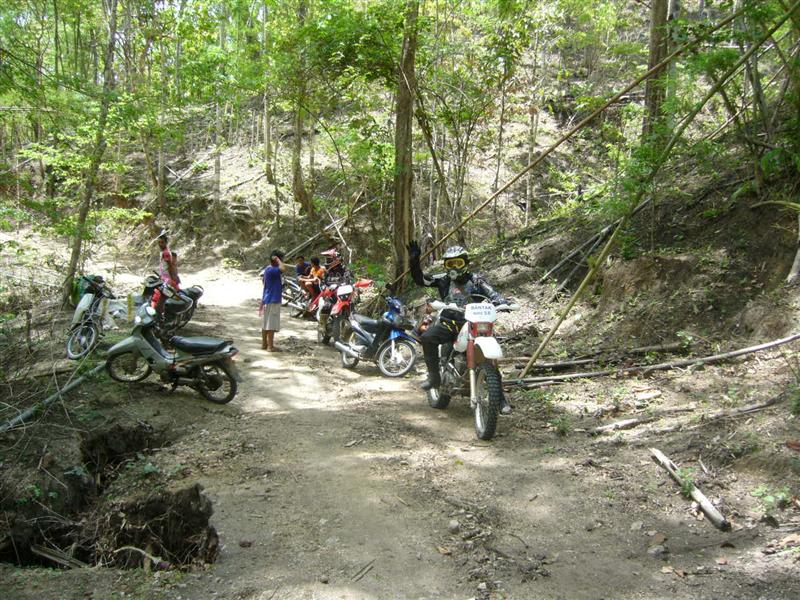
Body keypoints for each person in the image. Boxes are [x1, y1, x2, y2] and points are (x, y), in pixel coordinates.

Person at [407, 240, 513, 414]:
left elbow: (492, 293)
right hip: (448, 324)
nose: (454, 267)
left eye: (458, 263)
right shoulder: (443, 279)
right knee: (427, 337)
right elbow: (421, 280)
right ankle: (434, 377)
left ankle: (500, 399)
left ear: (465, 263)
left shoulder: (476, 280)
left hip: (473, 324)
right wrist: (414, 261)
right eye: (450, 264)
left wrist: (502, 302)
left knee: (489, 360)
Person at [260, 250, 286, 352]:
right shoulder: (273, 270)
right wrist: (278, 260)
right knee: (271, 324)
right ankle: (270, 346)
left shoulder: (267, 269)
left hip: (267, 298)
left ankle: (264, 344)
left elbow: (263, 281)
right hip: (273, 299)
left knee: (266, 323)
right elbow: (283, 268)